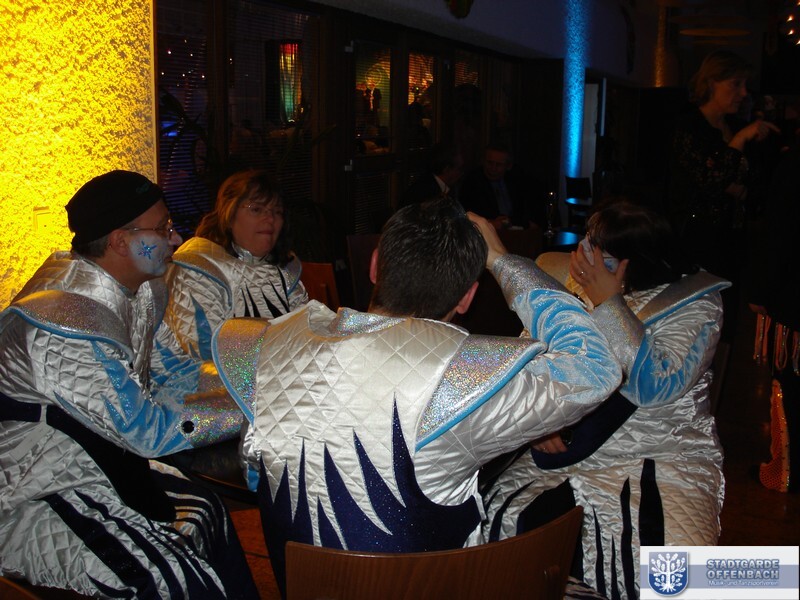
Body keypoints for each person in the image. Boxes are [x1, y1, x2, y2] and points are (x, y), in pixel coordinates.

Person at [212, 197, 622, 595]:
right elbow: (596, 367)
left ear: (375, 265)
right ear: (467, 297)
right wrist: (503, 261)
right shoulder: (465, 377)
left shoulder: (269, 348)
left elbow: (257, 470)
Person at [0, 170, 258, 598]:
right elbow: (146, 431)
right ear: (120, 241)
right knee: (164, 575)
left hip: (100, 460)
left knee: (207, 510)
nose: (176, 239)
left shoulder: (139, 290)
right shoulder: (64, 323)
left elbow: (175, 371)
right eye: (162, 229)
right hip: (34, 485)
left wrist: (253, 382)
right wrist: (246, 410)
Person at [483, 200, 730, 600]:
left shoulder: (696, 301)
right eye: (587, 241)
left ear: (637, 262)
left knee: (676, 575)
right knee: (496, 531)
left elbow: (656, 386)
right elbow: (528, 359)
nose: (586, 256)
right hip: (563, 455)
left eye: (602, 253)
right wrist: (539, 421)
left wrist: (609, 303)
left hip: (661, 454)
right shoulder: (563, 277)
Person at [665, 50, 779, 344]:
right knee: (696, 325)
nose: (743, 93)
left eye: (745, 85)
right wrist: (738, 144)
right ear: (712, 83)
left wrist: (737, 184)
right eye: (735, 84)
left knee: (725, 324)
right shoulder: (690, 126)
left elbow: (754, 185)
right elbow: (708, 180)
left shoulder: (736, 126)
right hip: (696, 243)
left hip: (733, 242)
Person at [164, 169, 308, 360]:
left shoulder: (284, 269)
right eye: (256, 209)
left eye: (277, 211)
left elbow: (307, 333)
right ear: (229, 214)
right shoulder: (198, 267)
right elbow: (205, 351)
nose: (270, 219)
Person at [749, 139, 800, 493]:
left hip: (794, 299)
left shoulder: (794, 163)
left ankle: (787, 473)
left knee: (792, 386)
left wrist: (761, 290)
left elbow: (780, 232)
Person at [459, 141, 543, 231]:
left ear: (508, 166)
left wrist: (510, 221)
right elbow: (467, 216)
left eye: (498, 164)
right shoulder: (473, 182)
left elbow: (526, 214)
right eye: (490, 163)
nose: (493, 168)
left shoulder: (516, 181)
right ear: (483, 161)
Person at [399, 141, 463, 206]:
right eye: (459, 169)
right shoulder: (425, 194)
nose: (461, 173)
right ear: (446, 169)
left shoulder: (443, 188)